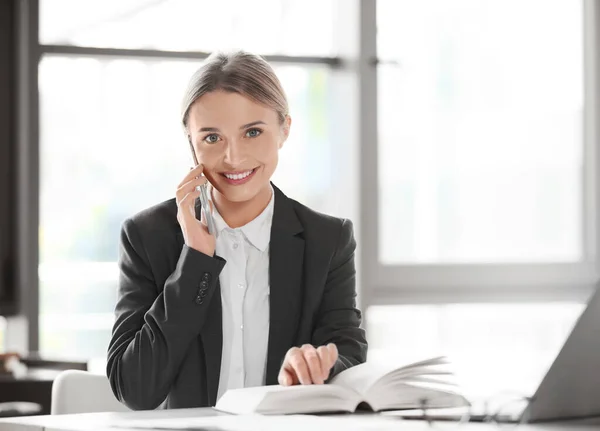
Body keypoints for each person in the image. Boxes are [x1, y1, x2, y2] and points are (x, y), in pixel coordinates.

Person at [106, 51, 367, 410]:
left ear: (284, 129)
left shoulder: (328, 241)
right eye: (212, 138)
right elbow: (135, 389)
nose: (233, 158)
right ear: (190, 140)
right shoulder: (148, 237)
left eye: (253, 132)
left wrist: (317, 367)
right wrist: (194, 262)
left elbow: (349, 358)